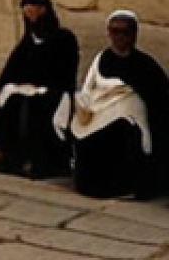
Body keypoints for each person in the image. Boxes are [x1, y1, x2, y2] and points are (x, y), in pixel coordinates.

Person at [71, 10, 169, 199]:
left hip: (131, 119)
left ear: (134, 34)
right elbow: (90, 88)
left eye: (125, 32)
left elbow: (160, 99)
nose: (120, 37)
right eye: (116, 32)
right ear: (109, 33)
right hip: (99, 113)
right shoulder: (102, 59)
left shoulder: (145, 64)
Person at [0, 0, 79, 178]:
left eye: (32, 11)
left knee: (38, 105)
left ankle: (40, 161)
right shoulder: (27, 41)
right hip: (26, 88)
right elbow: (12, 70)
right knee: (10, 99)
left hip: (54, 90)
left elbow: (65, 72)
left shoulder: (64, 39)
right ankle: (10, 156)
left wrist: (40, 87)